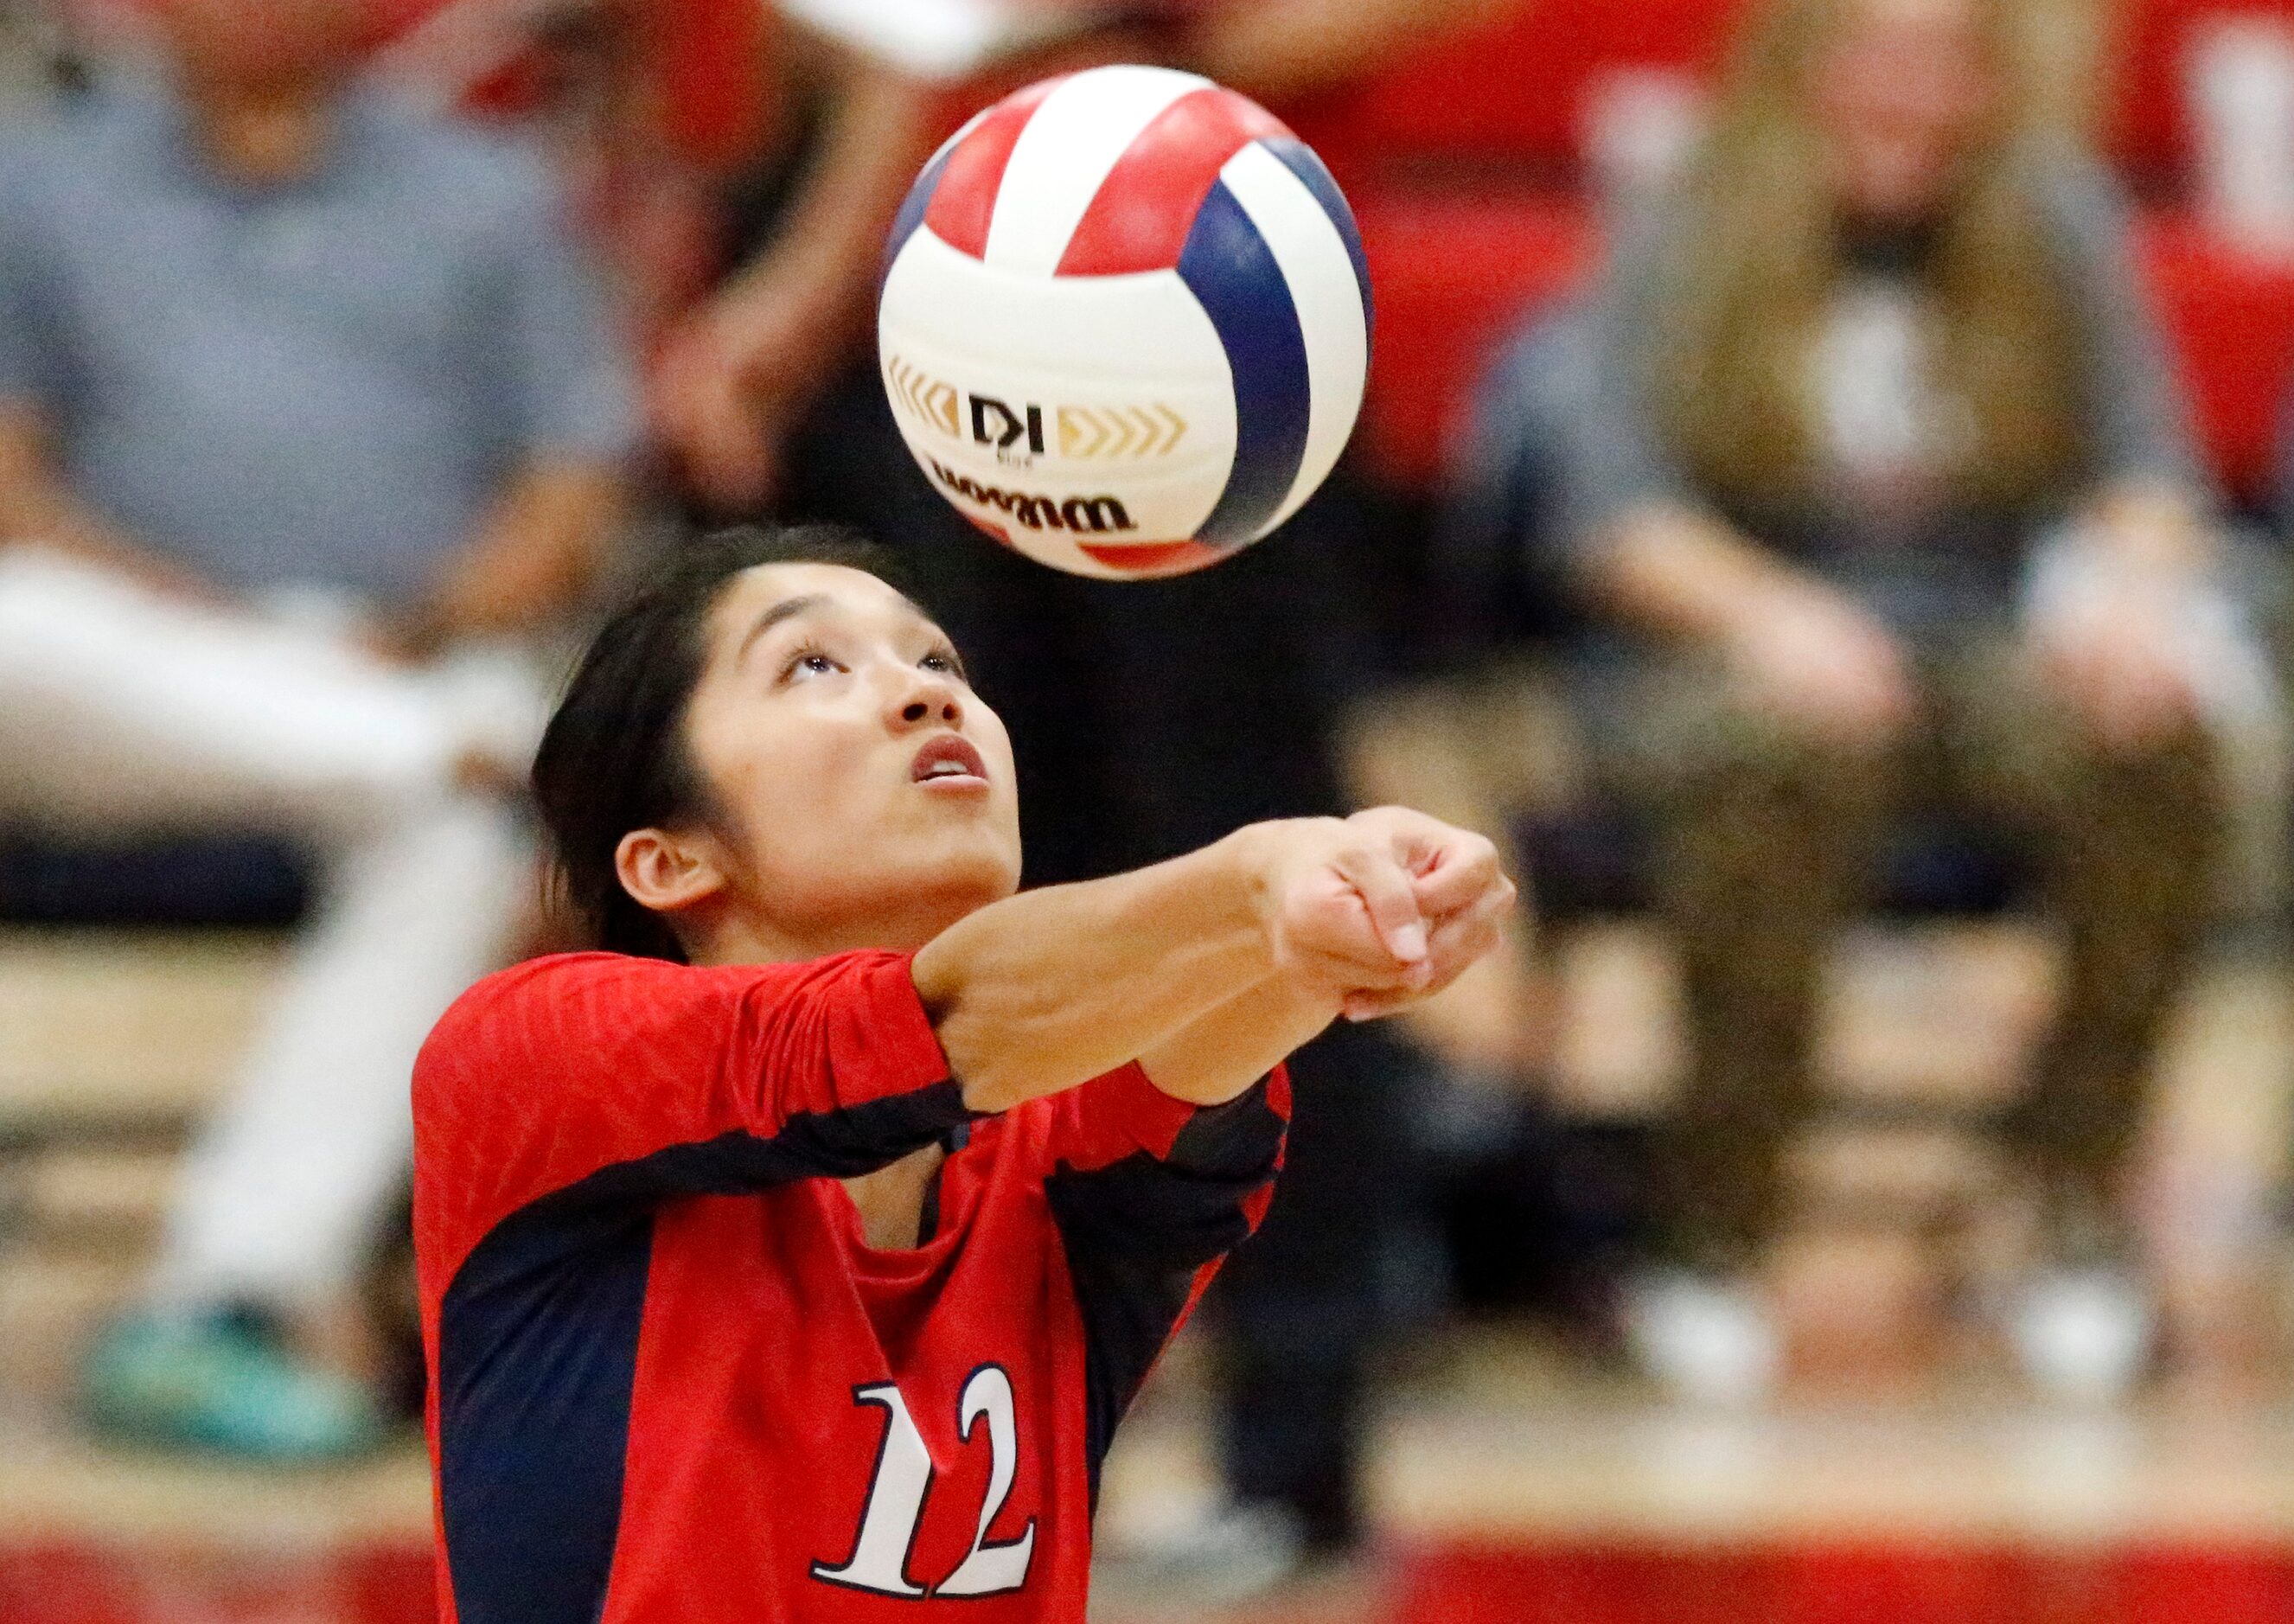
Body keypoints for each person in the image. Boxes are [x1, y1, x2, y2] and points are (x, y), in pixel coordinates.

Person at [412, 525, 1513, 1620]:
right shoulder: (531, 1059)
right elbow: (924, 1026)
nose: (923, 696)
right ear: (670, 857)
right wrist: (1266, 876)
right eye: (813, 665)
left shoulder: (1046, 1160)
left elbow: (1204, 1042)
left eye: (938, 662)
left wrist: (1373, 913)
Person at [1477, 0, 2240, 1402]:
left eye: (1948, 62)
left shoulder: (2046, 215)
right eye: (1878, 57)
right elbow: (1606, 509)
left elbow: (2148, 470)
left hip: (1969, 640)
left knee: (2153, 743)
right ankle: (1707, 1225)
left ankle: (2064, 1206)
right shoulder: (1691, 212)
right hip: (1716, 646)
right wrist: (1769, 613)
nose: (1913, 96)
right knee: (1782, 749)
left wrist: (2126, 601)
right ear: (1799, 65)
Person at [0, 0, 634, 1455]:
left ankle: (226, 1288)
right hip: (123, 669)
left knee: (460, 838)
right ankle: (443, 752)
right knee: (14, 615)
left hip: (407, 649)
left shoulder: (490, 193)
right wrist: (224, 639)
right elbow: (10, 485)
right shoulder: (39, 178)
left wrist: (391, 640)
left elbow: (568, 497)